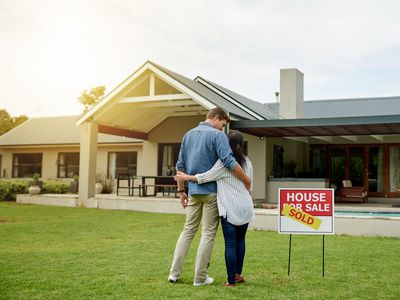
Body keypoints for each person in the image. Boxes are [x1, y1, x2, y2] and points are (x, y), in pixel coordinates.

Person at [168, 107, 251, 287]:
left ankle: (174, 274)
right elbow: (229, 162)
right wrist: (247, 180)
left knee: (188, 231)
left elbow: (180, 166)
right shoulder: (217, 136)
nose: (222, 129)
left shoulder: (187, 135)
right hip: (212, 192)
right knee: (207, 234)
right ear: (215, 117)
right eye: (222, 124)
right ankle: (199, 278)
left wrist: (181, 192)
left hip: (193, 191)